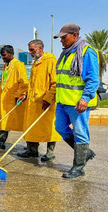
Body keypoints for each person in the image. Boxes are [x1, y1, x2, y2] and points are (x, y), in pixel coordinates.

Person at [53, 23, 98, 178]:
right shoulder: (66, 53)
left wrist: (85, 98)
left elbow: (93, 79)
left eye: (63, 37)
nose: (61, 41)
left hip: (78, 103)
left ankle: (78, 168)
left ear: (74, 35)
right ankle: (85, 153)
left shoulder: (87, 52)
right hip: (62, 101)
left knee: (80, 133)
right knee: (60, 128)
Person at [16, 40, 61, 161]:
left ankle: (50, 153)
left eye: (32, 50)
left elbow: (55, 83)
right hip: (33, 101)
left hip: (45, 102)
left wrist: (48, 98)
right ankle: (32, 150)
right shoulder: (36, 63)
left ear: (40, 49)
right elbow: (32, 83)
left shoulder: (50, 60)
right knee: (32, 126)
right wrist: (25, 94)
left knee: (48, 127)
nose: (30, 52)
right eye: (29, 50)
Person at [0, 45, 28, 149]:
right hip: (4, 98)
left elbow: (23, 82)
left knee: (23, 122)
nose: (3, 58)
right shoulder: (5, 67)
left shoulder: (19, 65)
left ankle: (31, 146)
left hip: (14, 99)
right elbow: (4, 82)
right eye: (1, 56)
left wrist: (20, 94)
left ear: (11, 54)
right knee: (3, 122)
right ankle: (0, 143)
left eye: (4, 55)